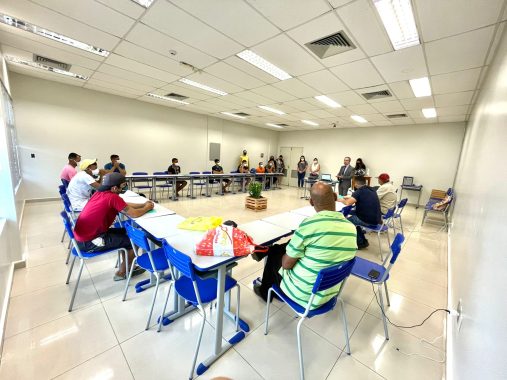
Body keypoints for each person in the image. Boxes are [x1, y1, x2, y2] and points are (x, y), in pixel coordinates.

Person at [251, 182, 357, 307]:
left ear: (311, 202)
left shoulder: (309, 225)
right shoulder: (351, 227)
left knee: (276, 257)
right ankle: (267, 250)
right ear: (334, 196)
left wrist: (287, 255)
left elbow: (286, 265)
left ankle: (265, 291)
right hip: (330, 291)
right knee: (293, 244)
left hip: (305, 294)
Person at [73, 173, 154, 281]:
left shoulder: (100, 193)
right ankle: (121, 273)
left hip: (85, 236)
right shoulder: (112, 197)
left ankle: (126, 266)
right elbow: (134, 214)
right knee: (135, 240)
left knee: (128, 233)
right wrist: (147, 208)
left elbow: (123, 204)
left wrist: (143, 204)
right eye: (123, 185)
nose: (124, 187)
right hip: (90, 242)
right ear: (115, 187)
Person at [338, 176, 381, 249]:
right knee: (352, 214)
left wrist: (341, 199)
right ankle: (361, 239)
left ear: (355, 184)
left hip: (367, 220)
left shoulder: (359, 192)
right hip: (377, 218)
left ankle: (360, 242)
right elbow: (359, 198)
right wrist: (348, 197)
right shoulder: (371, 189)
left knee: (346, 221)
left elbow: (348, 203)